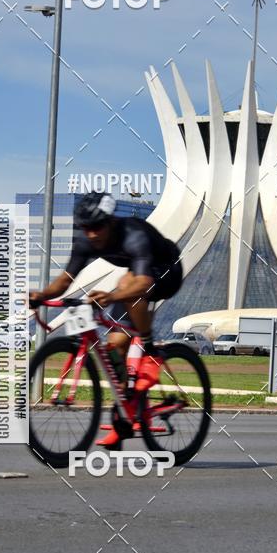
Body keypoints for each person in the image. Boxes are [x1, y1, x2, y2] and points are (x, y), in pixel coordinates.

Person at [29, 191, 182, 445]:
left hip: (167, 270)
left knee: (128, 288)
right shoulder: (86, 241)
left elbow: (143, 283)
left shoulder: (135, 235)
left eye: (97, 226)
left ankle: (151, 350)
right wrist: (42, 295)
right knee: (115, 347)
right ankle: (124, 413)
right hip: (137, 273)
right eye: (85, 227)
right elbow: (66, 280)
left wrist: (111, 297)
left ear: (111, 221)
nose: (92, 234)